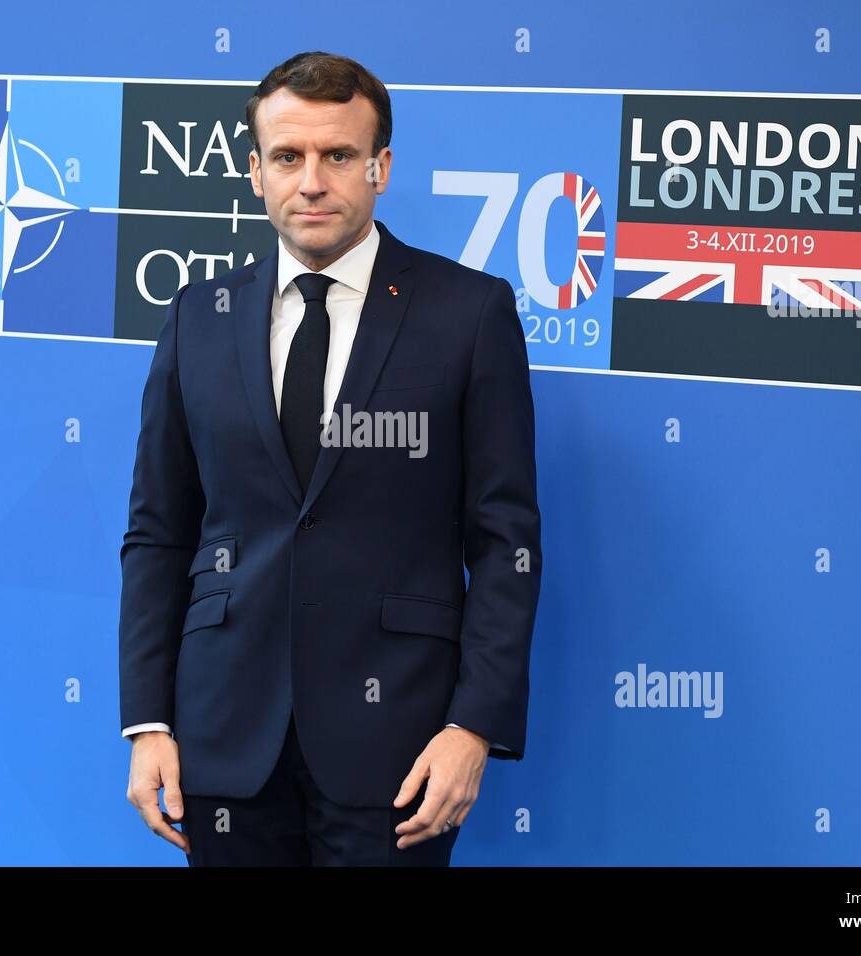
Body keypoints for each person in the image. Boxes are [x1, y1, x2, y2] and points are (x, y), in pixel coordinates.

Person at [118, 50, 542, 866]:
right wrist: (149, 721)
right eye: (288, 157)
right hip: (225, 743)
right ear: (255, 172)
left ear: (381, 167)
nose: (311, 181)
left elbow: (505, 543)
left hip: (398, 752)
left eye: (338, 155)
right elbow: (157, 534)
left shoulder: (468, 315)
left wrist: (474, 726)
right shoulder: (197, 317)